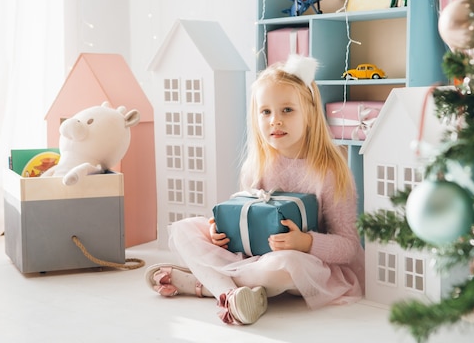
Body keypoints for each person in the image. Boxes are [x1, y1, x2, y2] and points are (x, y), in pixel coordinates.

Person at [145, 54, 365, 325]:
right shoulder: (257, 166)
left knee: (285, 266)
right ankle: (235, 296)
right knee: (184, 230)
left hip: (301, 265)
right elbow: (245, 218)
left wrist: (306, 243)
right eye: (266, 112)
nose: (275, 120)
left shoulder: (329, 171)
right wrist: (220, 232)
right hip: (253, 258)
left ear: (309, 112)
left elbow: (349, 247)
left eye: (287, 110)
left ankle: (205, 283)